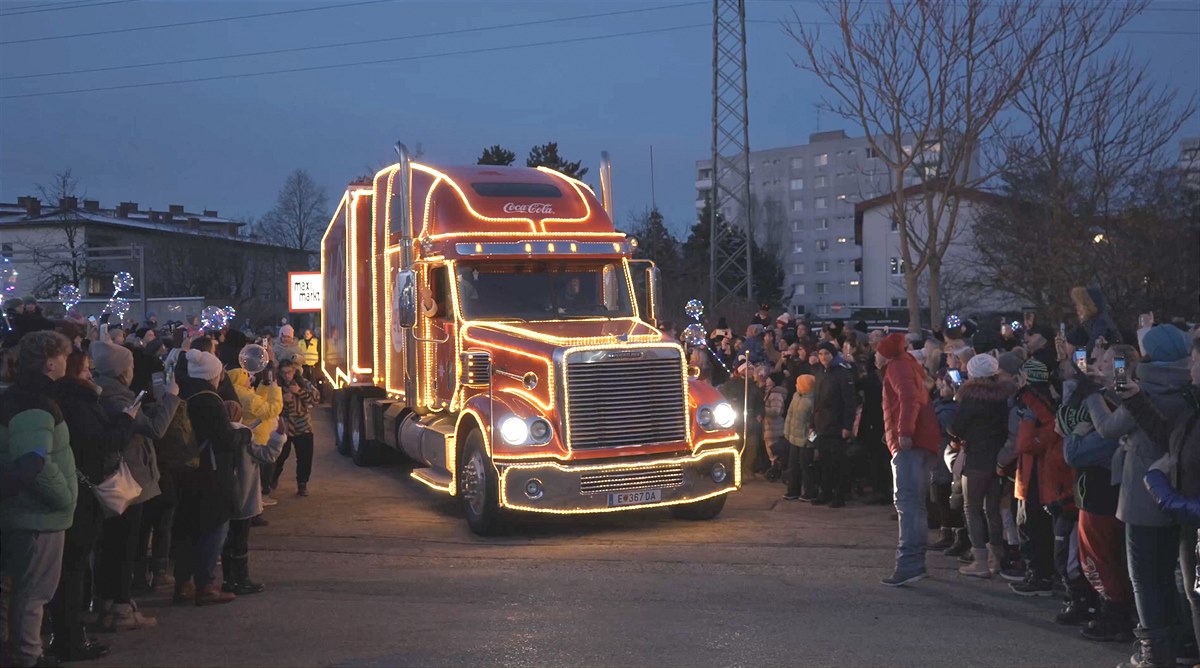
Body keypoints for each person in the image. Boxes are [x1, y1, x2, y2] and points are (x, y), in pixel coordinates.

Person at [1087, 325, 1193, 667]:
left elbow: (1112, 426)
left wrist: (1090, 392)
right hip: (1182, 494)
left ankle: (1154, 652)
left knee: (1145, 578)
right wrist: (1111, 378)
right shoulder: (1185, 388)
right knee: (1175, 577)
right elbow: (1132, 398)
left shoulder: (1152, 387)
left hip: (1144, 495)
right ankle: (1183, 641)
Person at [46, 351, 134, 662]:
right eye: (85, 371)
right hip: (79, 496)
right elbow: (99, 443)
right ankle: (69, 638)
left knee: (71, 569)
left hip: (74, 493)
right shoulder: (76, 404)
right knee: (72, 570)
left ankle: (66, 633)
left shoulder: (67, 400)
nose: (90, 376)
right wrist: (126, 421)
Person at [91, 340, 180, 631]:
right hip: (127, 483)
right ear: (120, 371)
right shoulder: (118, 399)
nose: (133, 370)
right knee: (124, 547)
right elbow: (155, 430)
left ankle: (109, 603)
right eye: (129, 366)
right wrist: (171, 398)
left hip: (120, 481)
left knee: (116, 546)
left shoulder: (106, 392)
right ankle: (120, 607)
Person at [0, 331, 77, 668]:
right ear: (49, 360)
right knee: (33, 592)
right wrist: (63, 498)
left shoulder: (19, 396)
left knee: (16, 590)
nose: (67, 363)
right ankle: (27, 655)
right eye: (63, 356)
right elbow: (33, 462)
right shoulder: (35, 402)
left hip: (24, 513)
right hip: (38, 517)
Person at [173, 349, 248, 606]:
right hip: (212, 473)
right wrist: (242, 432)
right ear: (214, 375)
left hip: (186, 471)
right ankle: (206, 585)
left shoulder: (184, 392)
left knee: (187, 529)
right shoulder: (209, 400)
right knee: (213, 529)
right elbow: (224, 439)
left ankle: (183, 583)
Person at [875, 332, 941, 586]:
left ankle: (909, 564)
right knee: (915, 503)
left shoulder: (897, 367)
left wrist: (904, 432)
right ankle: (915, 562)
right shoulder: (910, 365)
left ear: (886, 353)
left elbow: (908, 399)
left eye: (878, 352)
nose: (875, 356)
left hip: (911, 444)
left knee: (907, 504)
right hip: (923, 442)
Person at [224, 345, 284, 594]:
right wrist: (273, 386)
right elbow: (271, 409)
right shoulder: (243, 425)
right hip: (243, 491)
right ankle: (241, 579)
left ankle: (229, 579)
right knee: (240, 538)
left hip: (227, 493)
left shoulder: (232, 400)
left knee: (229, 538)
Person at [948, 353, 1013, 578]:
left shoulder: (970, 398)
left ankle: (980, 561)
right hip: (997, 459)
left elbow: (956, 426)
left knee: (972, 508)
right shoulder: (1003, 398)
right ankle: (997, 558)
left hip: (976, 458)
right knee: (992, 509)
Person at [810, 341, 858, 507]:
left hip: (836, 424)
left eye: (826, 354)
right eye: (821, 354)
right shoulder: (820, 373)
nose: (823, 357)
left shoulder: (842, 374)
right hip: (821, 424)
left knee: (838, 462)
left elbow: (849, 402)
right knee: (824, 462)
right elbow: (815, 400)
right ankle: (825, 492)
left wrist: (847, 425)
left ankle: (839, 495)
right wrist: (812, 423)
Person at [272, 359, 320, 496]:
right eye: (284, 373)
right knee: (279, 455)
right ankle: (271, 479)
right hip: (283, 425)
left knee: (305, 456)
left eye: (290, 372)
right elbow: (267, 401)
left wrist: (299, 391)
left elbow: (316, 399)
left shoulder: (304, 383)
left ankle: (302, 484)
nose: (287, 375)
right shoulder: (276, 385)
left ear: (294, 371)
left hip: (302, 425)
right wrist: (281, 398)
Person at [783, 374, 816, 501]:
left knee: (806, 466)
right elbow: (790, 415)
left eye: (798, 383)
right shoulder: (796, 396)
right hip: (793, 438)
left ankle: (809, 491)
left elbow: (814, 423)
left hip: (805, 441)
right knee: (793, 465)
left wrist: (811, 441)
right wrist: (787, 432)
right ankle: (793, 490)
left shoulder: (813, 400)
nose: (796, 385)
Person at [761, 372, 788, 480]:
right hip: (770, 425)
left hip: (774, 426)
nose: (766, 380)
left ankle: (776, 471)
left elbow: (776, 410)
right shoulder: (770, 392)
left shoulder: (775, 394)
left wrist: (762, 410)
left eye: (769, 378)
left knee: (773, 450)